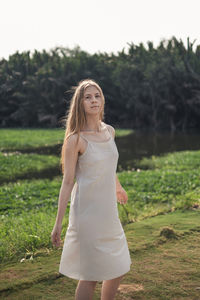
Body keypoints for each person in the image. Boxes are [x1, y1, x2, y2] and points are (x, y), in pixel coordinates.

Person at [51, 78, 132, 300]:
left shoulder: (110, 132)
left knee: (118, 266)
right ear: (80, 103)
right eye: (88, 97)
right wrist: (58, 223)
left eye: (97, 96)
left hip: (108, 213)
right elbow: (68, 182)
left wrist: (118, 187)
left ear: (102, 100)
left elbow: (108, 165)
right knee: (91, 275)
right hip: (87, 213)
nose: (94, 101)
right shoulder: (75, 139)